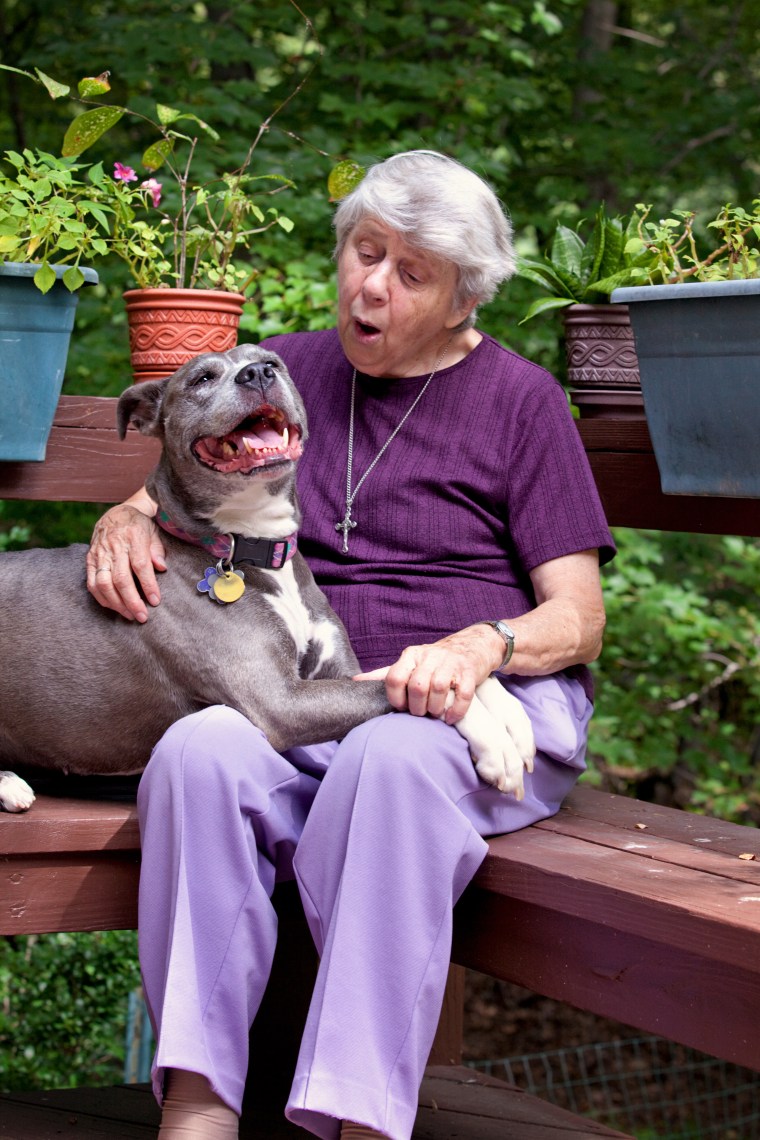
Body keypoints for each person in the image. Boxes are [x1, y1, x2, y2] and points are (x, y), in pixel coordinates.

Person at [86, 150, 615, 1140]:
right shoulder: (279, 378)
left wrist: (475, 648)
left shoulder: (521, 401)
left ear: (464, 299)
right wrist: (125, 512)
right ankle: (199, 1103)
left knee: (391, 757)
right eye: (365, 252)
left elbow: (576, 617)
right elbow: (175, 478)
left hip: (464, 712)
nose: (372, 285)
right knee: (196, 753)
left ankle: (361, 1118)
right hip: (307, 697)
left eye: (410, 273)